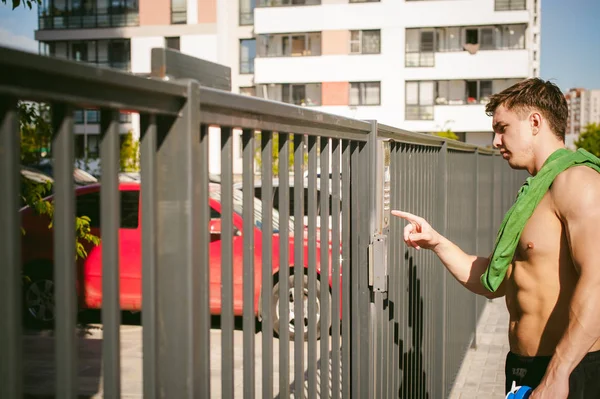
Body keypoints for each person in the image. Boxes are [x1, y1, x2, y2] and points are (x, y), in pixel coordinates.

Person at [392, 78, 600, 399]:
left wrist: (559, 375)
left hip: (571, 370)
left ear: (535, 122)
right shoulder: (534, 194)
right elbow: (497, 280)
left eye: (502, 128)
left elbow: (597, 284)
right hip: (524, 370)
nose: (495, 141)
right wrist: (435, 241)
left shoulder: (578, 183)